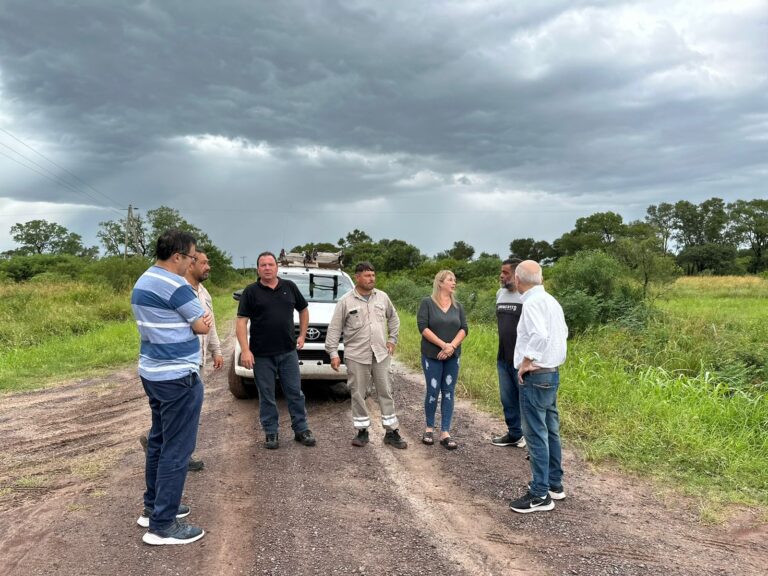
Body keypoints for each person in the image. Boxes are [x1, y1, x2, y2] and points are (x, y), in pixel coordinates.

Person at [131, 229, 211, 545]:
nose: (191, 263)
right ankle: (163, 526)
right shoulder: (176, 286)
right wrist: (200, 321)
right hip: (178, 377)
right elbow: (201, 325)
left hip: (153, 372)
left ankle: (154, 508)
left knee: (160, 441)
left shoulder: (143, 280)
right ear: (177, 256)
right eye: (192, 257)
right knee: (177, 449)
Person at [138, 249, 222, 471]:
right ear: (189, 263)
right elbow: (199, 324)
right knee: (176, 417)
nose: (207, 267)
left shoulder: (204, 294)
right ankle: (173, 456)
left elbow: (209, 326)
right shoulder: (176, 289)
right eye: (203, 263)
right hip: (177, 365)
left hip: (196, 358)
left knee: (186, 415)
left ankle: (177, 452)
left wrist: (217, 350)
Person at [235, 251, 316, 450]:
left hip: (288, 352)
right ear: (258, 269)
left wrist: (302, 335)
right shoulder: (251, 292)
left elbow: (304, 310)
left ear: (277, 267)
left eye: (270, 264)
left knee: (295, 392)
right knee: (267, 395)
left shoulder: (289, 287)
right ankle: (271, 433)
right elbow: (241, 322)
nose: (267, 268)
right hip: (262, 355)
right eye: (263, 265)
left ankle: (301, 429)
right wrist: (245, 351)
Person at [325, 262, 407, 449]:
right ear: (357, 277)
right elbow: (335, 328)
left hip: (380, 353)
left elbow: (394, 318)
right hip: (356, 355)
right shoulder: (346, 301)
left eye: (373, 275)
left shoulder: (382, 297)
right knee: (358, 393)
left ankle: (391, 431)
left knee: (385, 391)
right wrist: (333, 353)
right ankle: (362, 432)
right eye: (367, 275)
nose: (372, 278)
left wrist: (392, 340)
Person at [508, 260, 568, 514]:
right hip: (552, 374)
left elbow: (540, 335)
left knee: (535, 433)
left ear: (518, 281)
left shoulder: (531, 303)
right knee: (551, 430)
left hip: (536, 375)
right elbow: (562, 332)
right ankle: (555, 484)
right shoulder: (551, 301)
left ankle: (540, 493)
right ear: (541, 279)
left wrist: (526, 362)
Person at [416, 270, 468, 450]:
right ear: (440, 283)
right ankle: (429, 428)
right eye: (450, 280)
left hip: (452, 356)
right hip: (432, 355)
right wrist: (442, 345)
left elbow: (464, 329)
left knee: (448, 392)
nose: (454, 283)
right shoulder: (427, 303)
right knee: (432, 390)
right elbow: (423, 327)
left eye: (455, 279)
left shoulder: (458, 306)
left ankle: (445, 431)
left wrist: (451, 346)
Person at [491, 258, 526, 448]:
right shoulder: (500, 294)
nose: (501, 276)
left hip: (522, 360)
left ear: (516, 275)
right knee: (507, 399)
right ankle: (514, 434)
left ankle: (532, 440)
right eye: (501, 272)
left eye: (505, 273)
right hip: (503, 356)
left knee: (526, 401)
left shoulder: (526, 297)